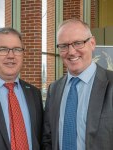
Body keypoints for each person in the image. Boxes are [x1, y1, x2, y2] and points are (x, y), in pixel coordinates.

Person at [42, 18, 113, 150]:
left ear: (92, 43)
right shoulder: (54, 89)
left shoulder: (110, 83)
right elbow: (48, 138)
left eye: (78, 43)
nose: (71, 51)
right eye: (64, 46)